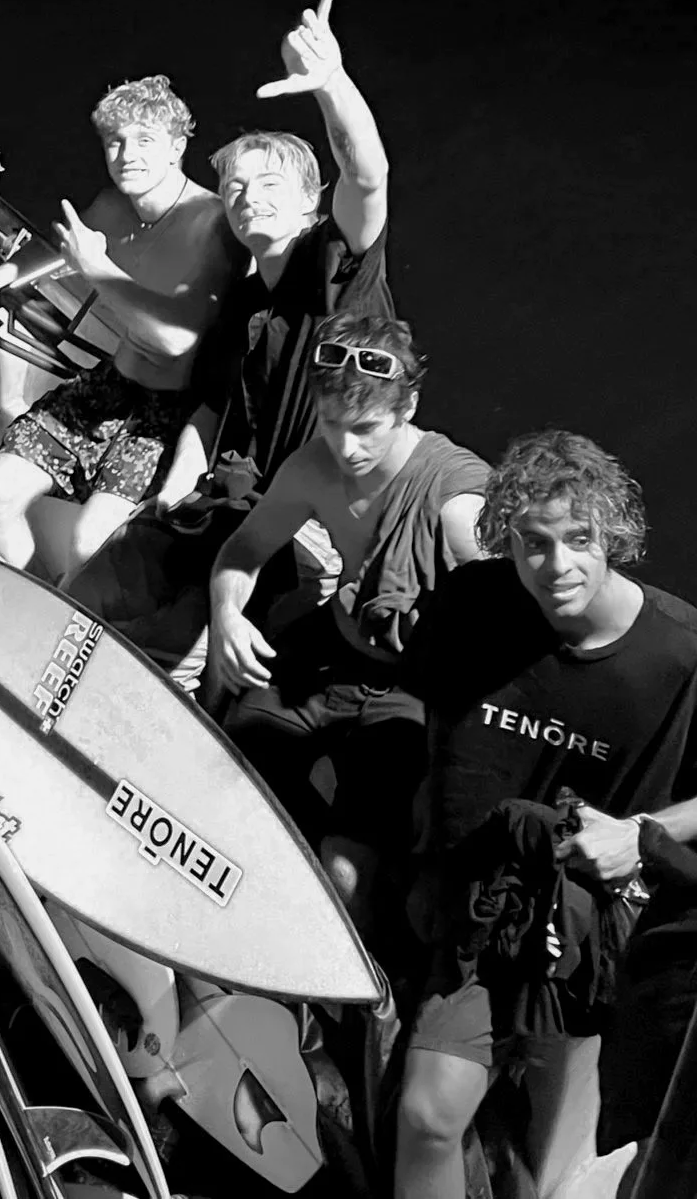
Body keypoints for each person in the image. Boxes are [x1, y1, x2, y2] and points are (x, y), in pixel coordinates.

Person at [393, 430, 697, 1199]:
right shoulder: (474, 603)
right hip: (474, 909)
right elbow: (431, 707)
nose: (556, 565)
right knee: (429, 1117)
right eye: (533, 543)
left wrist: (641, 837)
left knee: (553, 1169)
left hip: (589, 941)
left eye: (578, 540)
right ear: (507, 540)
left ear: (616, 538)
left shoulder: (690, 658)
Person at [64, 0, 393, 680]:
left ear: (311, 205)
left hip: (312, 528)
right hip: (229, 502)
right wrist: (175, 488)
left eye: (270, 185)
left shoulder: (335, 274)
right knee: (85, 592)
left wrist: (332, 86)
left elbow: (367, 173)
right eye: (237, 191)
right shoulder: (241, 304)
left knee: (191, 665)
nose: (249, 200)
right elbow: (213, 405)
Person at [210, 314, 488, 932]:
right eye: (331, 424)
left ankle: (362, 993)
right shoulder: (312, 466)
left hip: (411, 686)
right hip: (328, 648)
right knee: (223, 774)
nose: (347, 447)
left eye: (365, 429)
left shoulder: (454, 489)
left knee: (345, 872)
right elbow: (243, 550)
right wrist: (228, 613)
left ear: (408, 405)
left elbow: (497, 581)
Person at [0, 73, 240, 580]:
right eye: (114, 142)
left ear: (177, 147)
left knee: (90, 545)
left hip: (170, 415)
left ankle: (82, 617)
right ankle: (31, 594)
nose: (127, 155)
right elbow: (59, 248)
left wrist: (96, 268)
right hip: (111, 386)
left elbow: (175, 342)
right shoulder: (114, 203)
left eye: (145, 141)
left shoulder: (210, 223)